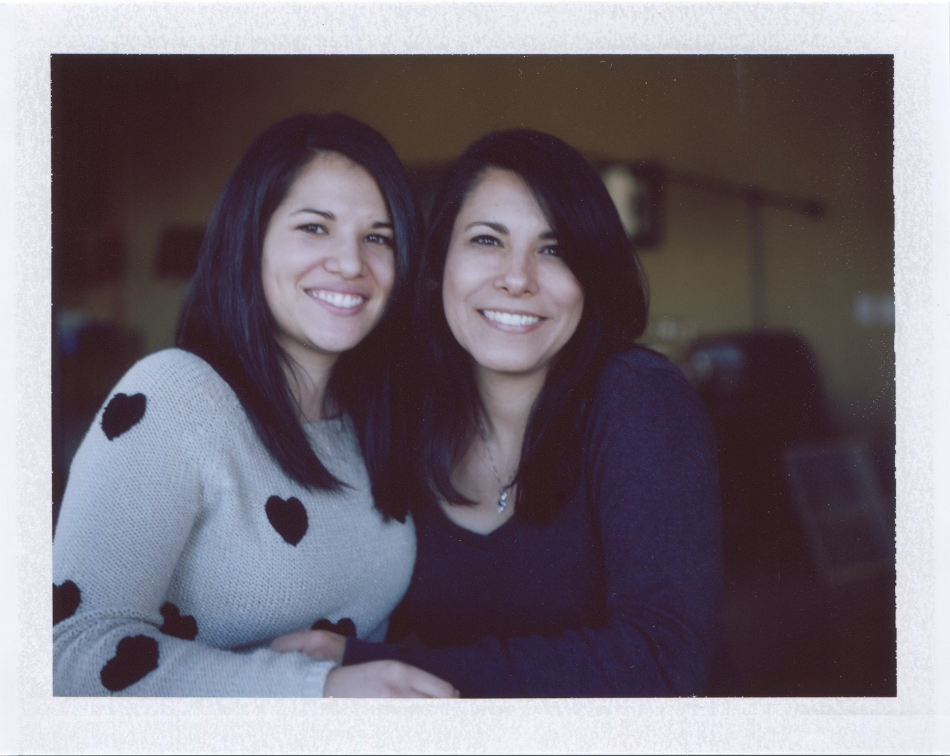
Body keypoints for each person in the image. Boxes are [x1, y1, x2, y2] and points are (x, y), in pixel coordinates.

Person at [271, 129, 723, 697]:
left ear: (592, 276)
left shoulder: (638, 398)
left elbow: (664, 659)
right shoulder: (406, 415)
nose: (517, 277)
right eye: (487, 240)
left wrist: (380, 666)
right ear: (439, 268)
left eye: (553, 250)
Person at [53, 113, 456, 698]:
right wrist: (321, 692)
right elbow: (70, 653)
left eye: (379, 237)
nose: (351, 263)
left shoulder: (372, 421)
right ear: (251, 237)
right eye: (314, 228)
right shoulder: (177, 395)